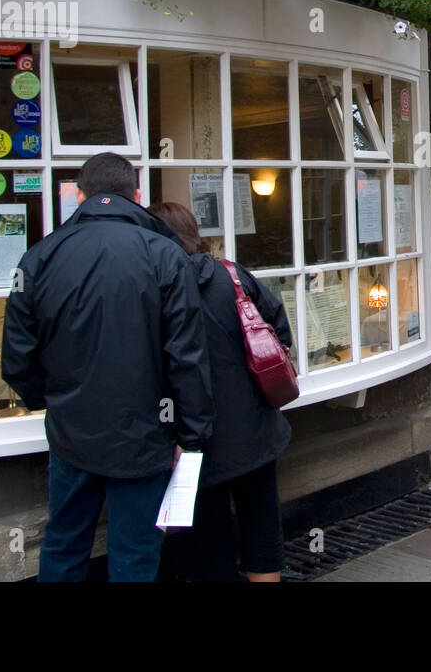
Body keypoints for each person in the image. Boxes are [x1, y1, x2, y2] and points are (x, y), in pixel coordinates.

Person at [2, 153, 213, 581]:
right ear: (136, 196)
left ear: (79, 195)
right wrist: (192, 434)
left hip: (71, 432)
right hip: (145, 435)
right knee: (134, 555)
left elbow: (16, 355)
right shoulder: (166, 255)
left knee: (63, 545)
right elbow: (187, 357)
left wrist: (49, 398)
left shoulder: (39, 257)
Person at [149, 202, 292, 583]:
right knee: (262, 533)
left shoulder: (155, 293)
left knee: (209, 548)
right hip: (255, 431)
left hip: (196, 443)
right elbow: (279, 328)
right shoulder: (231, 275)